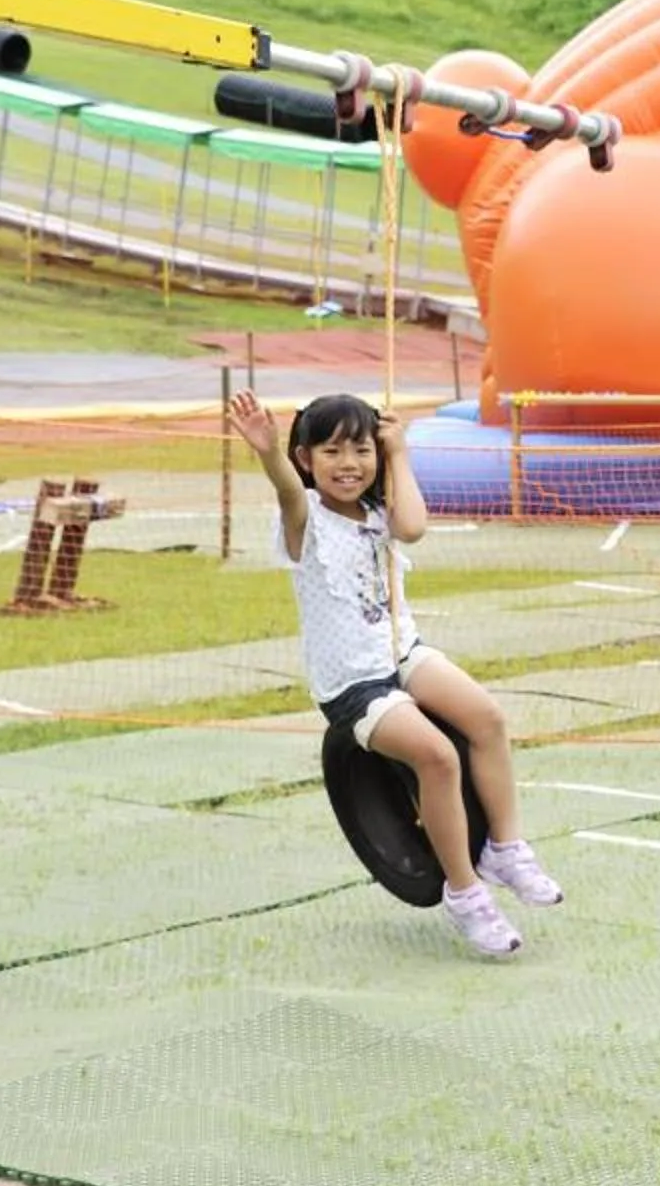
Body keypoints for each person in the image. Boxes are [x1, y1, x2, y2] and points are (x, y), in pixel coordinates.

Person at [227, 388, 561, 957]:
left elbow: (413, 529)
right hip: (354, 685)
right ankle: (464, 892)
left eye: (361, 450)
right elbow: (287, 491)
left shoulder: (381, 513)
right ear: (306, 458)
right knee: (436, 756)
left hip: (401, 652)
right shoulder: (305, 521)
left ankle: (504, 851)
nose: (349, 464)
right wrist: (266, 452)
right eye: (331, 452)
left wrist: (400, 453)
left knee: (487, 718)